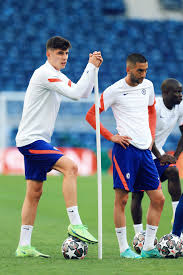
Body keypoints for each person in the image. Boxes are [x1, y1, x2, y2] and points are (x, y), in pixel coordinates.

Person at [15, 36, 103, 258]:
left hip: (37, 139)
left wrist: (92, 69)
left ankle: (24, 246)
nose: (64, 57)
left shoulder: (57, 76)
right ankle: (75, 223)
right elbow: (75, 94)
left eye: (66, 54)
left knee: (34, 192)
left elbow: (82, 93)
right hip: (31, 140)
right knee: (71, 167)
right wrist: (90, 66)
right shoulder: (45, 74)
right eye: (59, 53)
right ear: (49, 54)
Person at [86, 53, 165, 258]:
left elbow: (151, 111)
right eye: (140, 70)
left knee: (158, 199)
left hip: (145, 151)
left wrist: (152, 135)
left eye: (146, 69)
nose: (144, 74)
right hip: (125, 151)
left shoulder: (148, 85)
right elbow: (91, 115)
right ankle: (124, 249)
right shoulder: (114, 90)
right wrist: (111, 136)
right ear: (128, 69)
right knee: (121, 200)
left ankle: (148, 247)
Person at [131, 78, 183, 235]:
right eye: (177, 92)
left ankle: (176, 221)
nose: (180, 95)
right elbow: (146, 136)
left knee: (173, 172)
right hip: (139, 151)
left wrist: (176, 156)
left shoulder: (180, 107)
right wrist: (161, 156)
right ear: (166, 93)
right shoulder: (155, 106)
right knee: (137, 193)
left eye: (181, 91)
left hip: (155, 153)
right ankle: (139, 234)